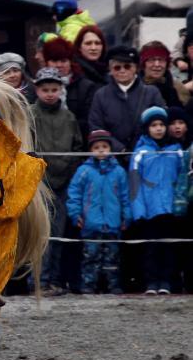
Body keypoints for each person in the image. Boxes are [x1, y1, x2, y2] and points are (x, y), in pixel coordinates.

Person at [30, 67, 83, 295]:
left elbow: (78, 147)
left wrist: (69, 173)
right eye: (45, 89)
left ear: (61, 90)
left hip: (64, 184)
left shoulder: (69, 117)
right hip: (38, 183)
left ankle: (54, 281)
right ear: (37, 90)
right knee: (39, 235)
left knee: (59, 234)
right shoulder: (30, 114)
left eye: (54, 89)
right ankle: (37, 282)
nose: (50, 93)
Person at [66, 129, 131, 294]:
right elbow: (74, 194)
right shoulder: (84, 171)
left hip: (113, 223)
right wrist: (75, 214)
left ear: (110, 148)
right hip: (91, 223)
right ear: (90, 150)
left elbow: (125, 196)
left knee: (113, 258)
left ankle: (113, 286)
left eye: (104, 146)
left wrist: (126, 216)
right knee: (90, 257)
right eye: (96, 147)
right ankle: (88, 286)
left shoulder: (119, 172)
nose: (101, 150)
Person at [129, 106, 183, 295]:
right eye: (154, 125)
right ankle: (151, 281)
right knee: (150, 248)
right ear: (147, 128)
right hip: (149, 209)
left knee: (169, 246)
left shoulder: (176, 151)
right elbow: (134, 183)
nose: (158, 128)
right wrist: (138, 211)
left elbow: (181, 179)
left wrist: (179, 205)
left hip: (170, 209)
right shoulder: (140, 153)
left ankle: (166, 281)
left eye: (161, 124)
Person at [88, 45, 166, 154]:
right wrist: (119, 149)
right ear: (110, 70)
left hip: (146, 154)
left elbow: (162, 123)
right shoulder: (100, 95)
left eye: (127, 66)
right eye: (117, 67)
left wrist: (143, 146)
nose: (122, 70)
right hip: (113, 157)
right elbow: (96, 127)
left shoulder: (152, 93)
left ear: (136, 68)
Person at [42, 36, 96, 139]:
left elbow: (88, 120)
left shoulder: (86, 87)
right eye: (54, 60)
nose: (59, 65)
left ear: (70, 62)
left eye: (63, 61)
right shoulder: (38, 87)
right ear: (46, 62)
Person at [167, 107, 193, 293]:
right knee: (175, 245)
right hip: (169, 202)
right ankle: (175, 282)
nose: (177, 127)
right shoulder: (162, 149)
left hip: (188, 200)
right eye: (173, 123)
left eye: (181, 123)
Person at [139, 40, 187, 108]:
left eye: (161, 60)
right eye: (152, 60)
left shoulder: (177, 87)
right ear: (143, 64)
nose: (157, 64)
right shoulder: (134, 87)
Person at [72, 24, 108, 88]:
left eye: (97, 43)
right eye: (88, 43)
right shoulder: (74, 74)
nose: (93, 48)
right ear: (79, 47)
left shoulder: (111, 70)